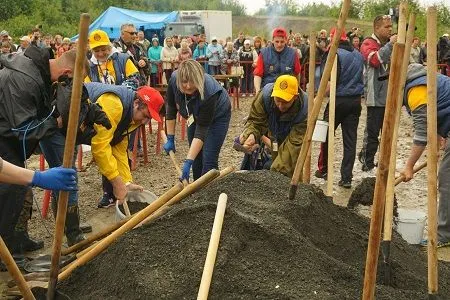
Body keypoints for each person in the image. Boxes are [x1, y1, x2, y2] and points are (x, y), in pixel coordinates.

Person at [0, 46, 82, 261]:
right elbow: (23, 129)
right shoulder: (25, 79)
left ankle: (18, 238)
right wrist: (55, 122)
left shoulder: (40, 72)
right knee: (11, 190)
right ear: (66, 74)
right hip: (4, 137)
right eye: (68, 82)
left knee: (20, 189)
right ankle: (6, 254)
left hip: (9, 135)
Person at [85, 83, 165, 206]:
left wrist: (126, 182)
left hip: (81, 128)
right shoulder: (114, 105)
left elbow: (119, 149)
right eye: (145, 115)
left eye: (148, 119)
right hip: (64, 120)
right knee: (66, 177)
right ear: (137, 103)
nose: (144, 122)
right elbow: (100, 147)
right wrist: (116, 181)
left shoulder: (130, 118)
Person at [400, 63, 450, 248]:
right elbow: (435, 116)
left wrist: (409, 166)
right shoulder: (429, 79)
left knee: (446, 181)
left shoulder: (416, 91)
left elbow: (421, 135)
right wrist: (437, 145)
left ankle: (444, 235)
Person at [163, 60, 231, 182]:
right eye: (184, 82)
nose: (188, 86)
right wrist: (170, 138)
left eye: (192, 81)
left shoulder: (209, 91)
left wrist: (187, 162)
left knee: (209, 158)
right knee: (196, 156)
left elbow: (202, 130)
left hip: (218, 116)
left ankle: (210, 194)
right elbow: (171, 108)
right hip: (194, 114)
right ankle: (197, 193)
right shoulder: (174, 79)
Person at [314, 28, 365, 188]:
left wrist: (317, 98)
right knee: (350, 141)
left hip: (338, 100)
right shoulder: (358, 54)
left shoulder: (333, 54)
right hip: (355, 101)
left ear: (332, 38)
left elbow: (327, 83)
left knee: (326, 134)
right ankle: (346, 178)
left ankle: (324, 169)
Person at [236, 75, 307, 177]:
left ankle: (295, 189)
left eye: (285, 102)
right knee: (274, 157)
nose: (281, 106)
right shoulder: (264, 96)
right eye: (277, 100)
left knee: (290, 167)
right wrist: (251, 134)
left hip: (294, 136)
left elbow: (293, 146)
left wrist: (273, 176)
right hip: (275, 135)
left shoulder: (305, 110)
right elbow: (255, 121)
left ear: (295, 97)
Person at [358, 15, 397, 172]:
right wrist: (391, 45)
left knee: (387, 132)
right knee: (373, 132)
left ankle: (381, 161)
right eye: (386, 27)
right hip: (375, 96)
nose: (390, 30)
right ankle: (367, 162)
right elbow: (374, 60)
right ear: (376, 28)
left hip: (389, 95)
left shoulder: (387, 44)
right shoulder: (368, 43)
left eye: (390, 27)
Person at [253, 27, 301, 93]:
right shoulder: (264, 53)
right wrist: (257, 91)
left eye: (282, 42)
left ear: (286, 41)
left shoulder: (293, 53)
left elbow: (297, 73)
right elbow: (258, 74)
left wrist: (297, 88)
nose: (279, 44)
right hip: (269, 87)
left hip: (287, 87)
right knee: (257, 101)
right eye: (277, 41)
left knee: (305, 98)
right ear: (272, 40)